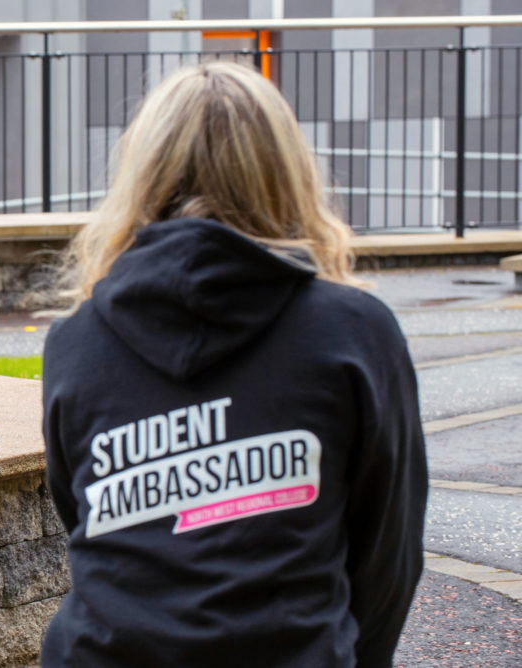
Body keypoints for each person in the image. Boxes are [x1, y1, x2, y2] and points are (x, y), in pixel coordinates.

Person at [40, 61, 427, 667]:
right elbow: (388, 554)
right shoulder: (354, 331)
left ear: (141, 176)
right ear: (285, 172)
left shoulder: (76, 341)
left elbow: (87, 520)